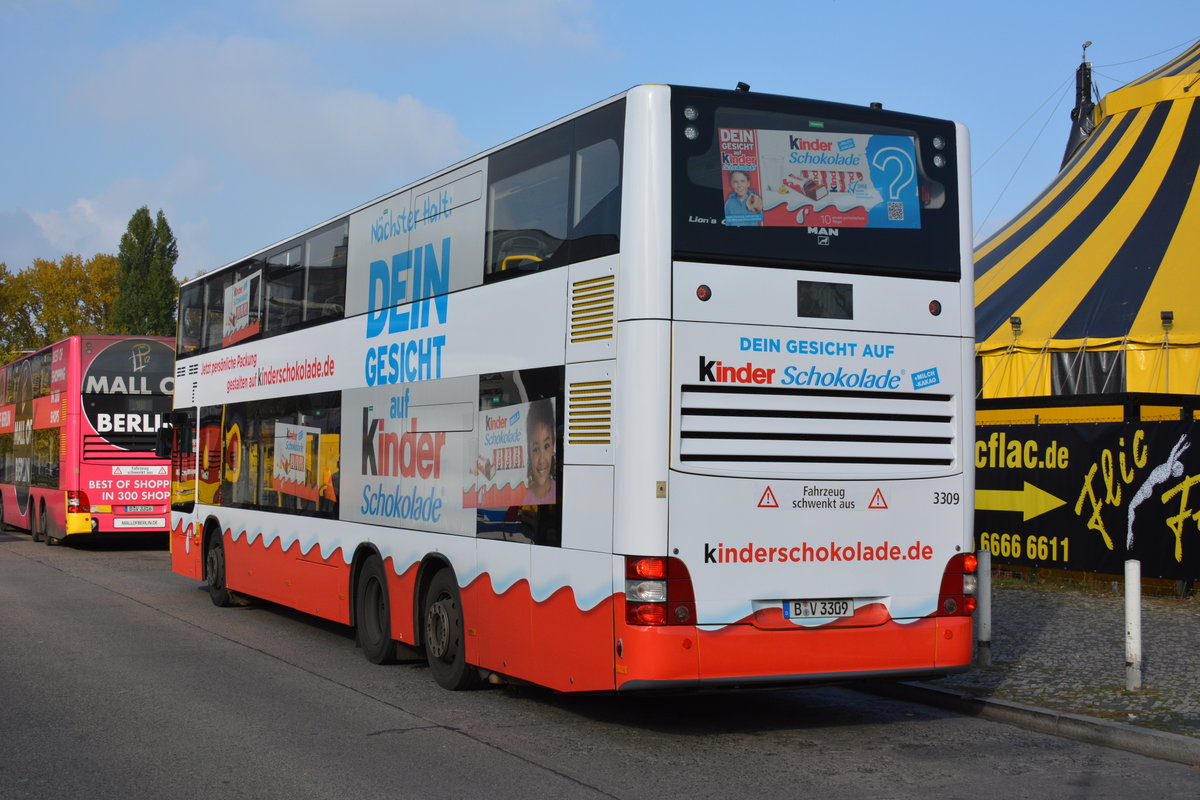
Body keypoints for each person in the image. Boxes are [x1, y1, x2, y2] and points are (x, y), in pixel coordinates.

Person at [523, 399, 557, 505]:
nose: (542, 460)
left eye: (546, 446)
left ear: (553, 446)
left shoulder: (561, 492)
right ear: (529, 450)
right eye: (536, 449)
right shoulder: (523, 499)